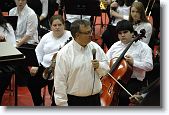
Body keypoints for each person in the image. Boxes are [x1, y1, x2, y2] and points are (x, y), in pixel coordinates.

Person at [53, 19, 110, 106]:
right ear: (77, 35)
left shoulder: (95, 47)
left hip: (94, 99)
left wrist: (99, 66)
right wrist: (62, 104)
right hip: (74, 101)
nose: (91, 35)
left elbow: (106, 70)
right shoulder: (64, 54)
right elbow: (60, 82)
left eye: (90, 31)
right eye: (87, 33)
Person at [106, 20, 153, 106]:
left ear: (132, 33)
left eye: (125, 32)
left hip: (134, 81)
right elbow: (106, 61)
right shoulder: (115, 46)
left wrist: (134, 62)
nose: (122, 35)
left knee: (123, 97)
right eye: (120, 33)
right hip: (115, 80)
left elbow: (149, 66)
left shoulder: (143, 47)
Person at [28, 15, 72, 106]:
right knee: (31, 83)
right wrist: (37, 64)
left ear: (64, 25)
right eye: (54, 25)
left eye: (60, 25)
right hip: (45, 67)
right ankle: (39, 104)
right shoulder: (46, 36)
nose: (57, 27)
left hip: (61, 71)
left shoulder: (70, 36)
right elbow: (38, 51)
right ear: (51, 26)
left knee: (55, 92)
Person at [0, 9, 16, 105]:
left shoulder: (7, 27)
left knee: (4, 75)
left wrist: (4, 41)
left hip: (4, 61)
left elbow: (13, 46)